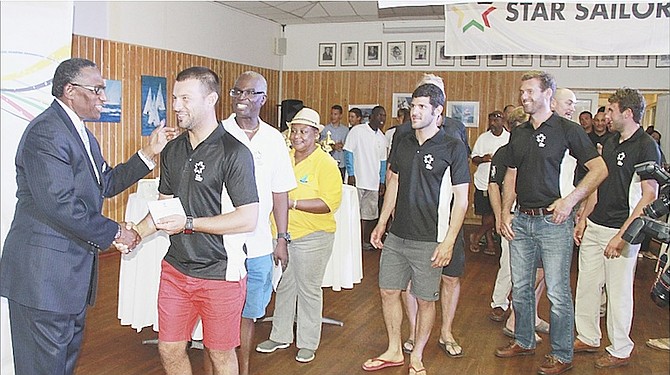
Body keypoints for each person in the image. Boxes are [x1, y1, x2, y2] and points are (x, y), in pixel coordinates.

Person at [0, 57, 175, 375]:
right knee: (44, 366)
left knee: (61, 362)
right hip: (44, 277)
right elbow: (59, 204)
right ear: (70, 90)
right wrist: (117, 232)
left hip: (66, 278)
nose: (104, 97)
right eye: (97, 89)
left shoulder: (79, 132)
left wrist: (150, 152)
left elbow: (105, 183)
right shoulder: (47, 133)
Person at [133, 66, 259, 375]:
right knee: (169, 348)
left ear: (211, 99)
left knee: (220, 355)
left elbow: (248, 218)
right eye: (175, 98)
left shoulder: (234, 152)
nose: (175, 106)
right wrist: (135, 233)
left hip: (220, 273)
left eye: (185, 98)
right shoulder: (173, 150)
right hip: (176, 269)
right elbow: (164, 209)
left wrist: (189, 222)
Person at [497, 71, 607, 375]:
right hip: (522, 221)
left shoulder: (568, 130)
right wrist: (506, 211)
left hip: (554, 223)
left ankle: (561, 353)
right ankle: (523, 340)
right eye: (522, 92)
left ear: (548, 94)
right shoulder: (519, 132)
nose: (524, 97)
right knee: (520, 288)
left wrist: (570, 201)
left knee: (558, 293)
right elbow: (511, 174)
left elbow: (598, 170)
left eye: (530, 91)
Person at [364, 83, 469, 374]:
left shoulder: (453, 147)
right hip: (398, 235)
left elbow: (462, 199)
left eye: (422, 106)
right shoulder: (403, 140)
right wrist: (382, 222)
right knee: (388, 291)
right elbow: (394, 181)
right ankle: (394, 349)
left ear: (438, 112)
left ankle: (418, 355)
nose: (415, 111)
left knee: (425, 299)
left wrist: (448, 242)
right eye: (413, 106)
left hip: (430, 239)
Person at [573, 88, 660, 369]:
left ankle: (621, 348)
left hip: (621, 231)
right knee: (587, 285)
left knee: (618, 291)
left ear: (628, 113)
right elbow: (598, 183)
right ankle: (588, 336)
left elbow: (649, 195)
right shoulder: (610, 142)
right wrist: (584, 217)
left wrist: (622, 236)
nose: (605, 116)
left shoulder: (646, 146)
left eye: (610, 111)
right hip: (596, 226)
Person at [220, 71, 297, 375]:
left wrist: (282, 238)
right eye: (237, 92)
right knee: (223, 313)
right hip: (222, 242)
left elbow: (280, 191)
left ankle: (244, 368)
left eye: (251, 93)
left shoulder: (274, 139)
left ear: (263, 99)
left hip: (260, 242)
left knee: (250, 313)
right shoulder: (218, 133)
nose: (243, 98)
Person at [392, 73, 469, 360]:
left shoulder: (457, 132)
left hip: (447, 222)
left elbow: (461, 184)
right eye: (416, 101)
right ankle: (414, 332)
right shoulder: (403, 133)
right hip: (411, 224)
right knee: (409, 282)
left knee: (449, 279)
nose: (417, 109)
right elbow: (395, 176)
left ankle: (446, 331)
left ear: (440, 103)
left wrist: (449, 236)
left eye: (431, 95)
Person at [256, 108, 342, 364]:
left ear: (316, 134)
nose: (297, 136)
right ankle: (280, 335)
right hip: (282, 236)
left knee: (308, 290)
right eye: (294, 131)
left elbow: (329, 203)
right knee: (284, 286)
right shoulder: (284, 158)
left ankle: (307, 342)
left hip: (313, 237)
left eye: (304, 131)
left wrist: (292, 204)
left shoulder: (325, 163)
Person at [487, 107, 549, 343]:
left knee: (539, 272)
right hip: (513, 217)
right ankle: (508, 311)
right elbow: (493, 186)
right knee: (514, 269)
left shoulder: (534, 151)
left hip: (536, 218)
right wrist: (500, 217)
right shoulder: (504, 153)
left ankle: (529, 316)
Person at [344, 106, 388, 251]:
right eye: (379, 115)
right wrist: (351, 173)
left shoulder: (382, 137)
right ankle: (351, 241)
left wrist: (382, 181)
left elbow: (383, 162)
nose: (382, 118)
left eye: (384, 116)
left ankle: (362, 240)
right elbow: (348, 151)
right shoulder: (358, 131)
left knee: (367, 215)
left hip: (373, 183)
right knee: (353, 213)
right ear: (371, 117)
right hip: (357, 180)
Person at [470, 110, 510, 255]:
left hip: (503, 183)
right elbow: (474, 158)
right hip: (483, 182)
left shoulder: (509, 138)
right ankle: (490, 243)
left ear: (503, 121)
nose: (493, 124)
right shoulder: (483, 138)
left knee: (495, 215)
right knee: (487, 215)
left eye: (496, 120)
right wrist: (483, 158)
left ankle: (477, 236)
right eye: (491, 121)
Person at [321, 104, 349, 179]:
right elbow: (321, 146)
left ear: (340, 116)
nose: (333, 116)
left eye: (335, 114)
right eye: (332, 114)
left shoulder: (346, 130)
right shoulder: (325, 129)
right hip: (328, 163)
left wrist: (343, 145)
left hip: (342, 164)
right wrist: (333, 146)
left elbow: (349, 146)